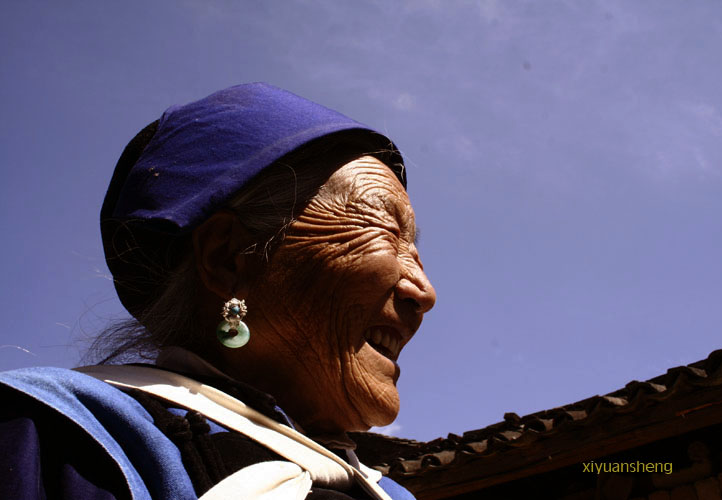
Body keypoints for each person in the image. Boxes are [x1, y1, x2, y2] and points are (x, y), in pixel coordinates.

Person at [0, 83, 436, 499]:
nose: (425, 292)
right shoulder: (47, 437)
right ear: (227, 257)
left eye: (414, 248)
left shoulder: (388, 493)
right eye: (387, 231)